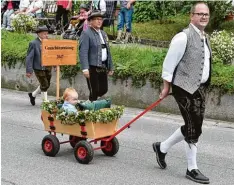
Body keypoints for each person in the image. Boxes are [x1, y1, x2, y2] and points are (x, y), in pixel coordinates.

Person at [152, 2, 212, 184]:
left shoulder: (204, 36)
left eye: (206, 14)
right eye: (200, 14)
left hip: (199, 88)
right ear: (191, 16)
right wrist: (165, 88)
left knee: (192, 125)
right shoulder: (182, 37)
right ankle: (192, 168)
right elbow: (168, 65)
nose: (204, 17)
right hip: (184, 88)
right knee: (194, 128)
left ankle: (162, 147)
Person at [79, 10, 114, 101]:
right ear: (90, 21)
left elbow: (108, 51)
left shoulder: (103, 33)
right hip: (92, 67)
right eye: (96, 19)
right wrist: (85, 68)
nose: (99, 21)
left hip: (102, 66)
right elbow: (83, 52)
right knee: (94, 90)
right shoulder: (86, 33)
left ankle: (88, 103)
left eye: (101, 19)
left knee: (103, 89)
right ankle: (91, 110)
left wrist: (110, 67)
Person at [26, 25, 51, 105]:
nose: (46, 35)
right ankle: (45, 102)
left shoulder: (49, 42)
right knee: (44, 84)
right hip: (38, 67)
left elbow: (52, 55)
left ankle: (32, 95)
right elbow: (29, 58)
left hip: (48, 66)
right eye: (44, 34)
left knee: (47, 84)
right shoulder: (33, 43)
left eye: (47, 34)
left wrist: (54, 65)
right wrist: (29, 70)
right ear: (39, 34)